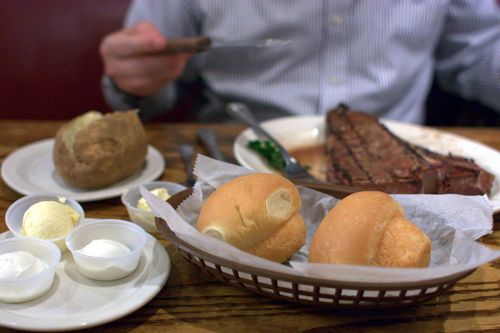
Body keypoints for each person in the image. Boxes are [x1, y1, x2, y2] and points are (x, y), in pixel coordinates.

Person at [100, 0, 500, 123]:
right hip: (236, 158)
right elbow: (146, 88)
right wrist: (136, 83)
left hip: (399, 165)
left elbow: (474, 53)